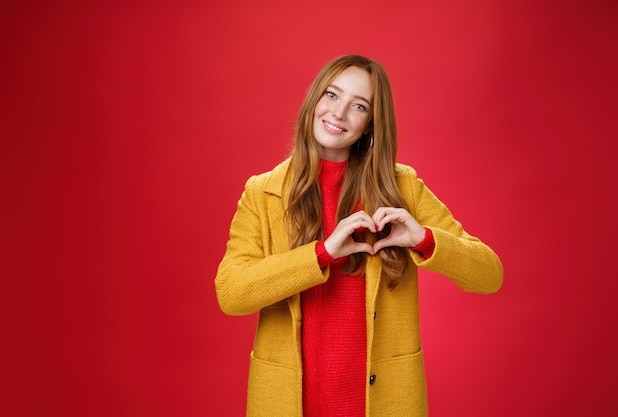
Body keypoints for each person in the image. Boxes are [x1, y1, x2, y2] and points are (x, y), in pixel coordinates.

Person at [214, 54, 503, 417]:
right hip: (288, 404)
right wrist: (321, 253)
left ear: (369, 124)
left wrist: (424, 239)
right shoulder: (263, 193)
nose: (338, 113)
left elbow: (489, 274)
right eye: (332, 95)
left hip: (383, 404)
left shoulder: (402, 189)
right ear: (314, 100)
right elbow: (231, 292)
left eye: (358, 105)